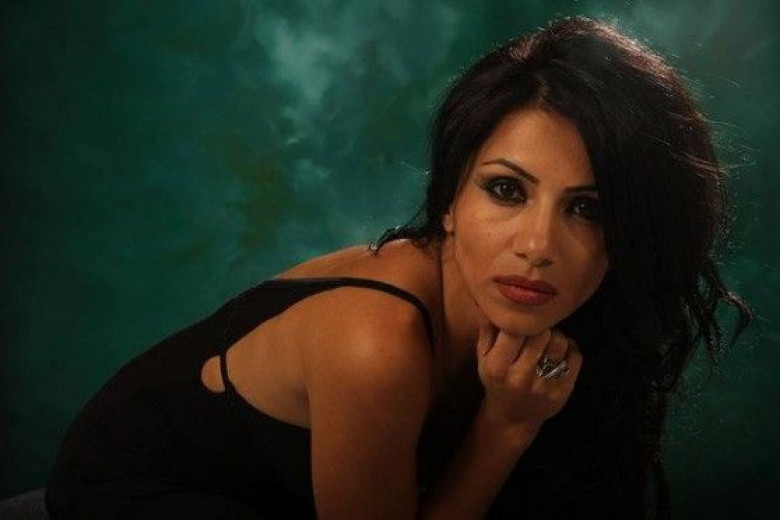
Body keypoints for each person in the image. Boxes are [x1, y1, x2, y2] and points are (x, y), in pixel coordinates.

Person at [45, 16, 752, 520]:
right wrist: (506, 427)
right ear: (448, 201)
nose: (538, 245)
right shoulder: (374, 341)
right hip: (136, 488)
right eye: (507, 190)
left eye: (588, 208)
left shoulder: (566, 323)